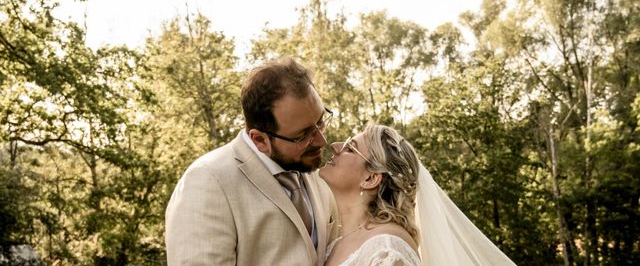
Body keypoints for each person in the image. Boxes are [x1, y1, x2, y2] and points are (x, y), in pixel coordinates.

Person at [165, 58, 339, 265]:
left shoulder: (319, 175)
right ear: (260, 139)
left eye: (320, 122)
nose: (321, 140)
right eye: (303, 135)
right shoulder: (207, 181)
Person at [320, 124, 518, 266]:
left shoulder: (388, 249)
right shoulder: (333, 243)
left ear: (371, 178)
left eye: (350, 148)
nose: (335, 146)